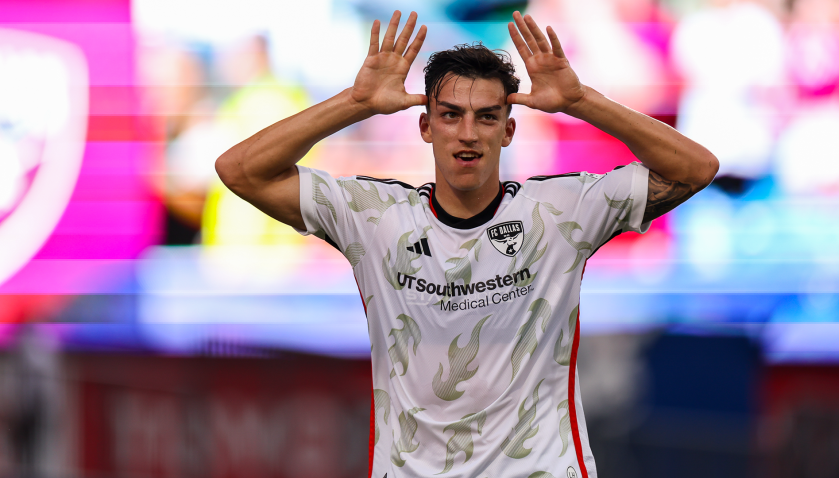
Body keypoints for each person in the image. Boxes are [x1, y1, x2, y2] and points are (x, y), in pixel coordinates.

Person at [215, 10, 717, 478]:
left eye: (487, 116)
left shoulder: (563, 210)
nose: (468, 134)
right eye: (451, 115)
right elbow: (239, 171)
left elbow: (697, 169)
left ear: (509, 130)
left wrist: (581, 102)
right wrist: (356, 103)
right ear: (425, 126)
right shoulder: (373, 217)